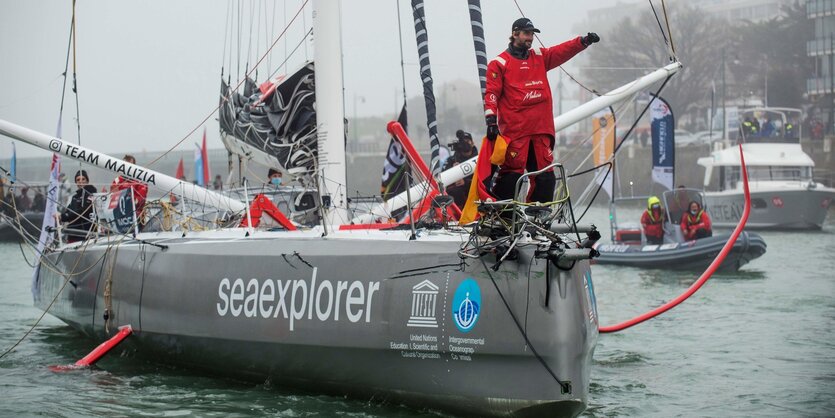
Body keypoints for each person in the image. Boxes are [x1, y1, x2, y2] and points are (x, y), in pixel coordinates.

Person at [484, 18, 599, 202]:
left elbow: (561, 51)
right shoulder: (499, 63)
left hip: (540, 132)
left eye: (532, 34)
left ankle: (536, 218)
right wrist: (491, 120)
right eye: (527, 33)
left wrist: (582, 42)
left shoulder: (539, 56)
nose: (531, 38)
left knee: (546, 178)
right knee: (511, 177)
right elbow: (491, 93)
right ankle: (500, 219)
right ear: (515, 34)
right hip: (516, 134)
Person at [57, 170, 98, 243]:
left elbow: (83, 212)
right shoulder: (74, 197)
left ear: (87, 181)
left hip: (86, 236)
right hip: (73, 235)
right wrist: (60, 216)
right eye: (78, 180)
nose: (80, 181)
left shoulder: (91, 194)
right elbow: (68, 211)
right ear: (76, 183)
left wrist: (64, 216)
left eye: (83, 179)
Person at [109, 154, 148, 228]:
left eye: (130, 166)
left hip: (136, 217)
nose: (127, 168)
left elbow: (141, 200)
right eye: (125, 165)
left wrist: (127, 199)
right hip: (119, 218)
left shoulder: (140, 180)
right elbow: (112, 201)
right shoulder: (117, 181)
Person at [444, 130, 479, 208]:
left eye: (468, 141)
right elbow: (443, 179)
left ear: (473, 143)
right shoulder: (451, 160)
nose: (465, 143)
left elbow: (483, 180)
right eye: (463, 141)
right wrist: (452, 171)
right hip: (458, 197)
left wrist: (465, 182)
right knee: (455, 191)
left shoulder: (479, 159)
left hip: (474, 192)